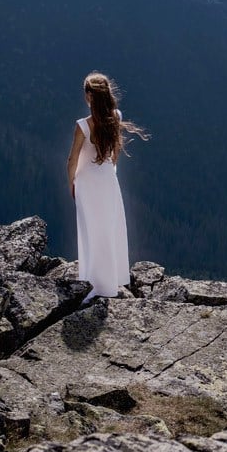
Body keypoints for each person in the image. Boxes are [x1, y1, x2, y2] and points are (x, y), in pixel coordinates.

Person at [66, 72, 148, 301]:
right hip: (108, 180)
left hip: (87, 183)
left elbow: (72, 160)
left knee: (91, 230)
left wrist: (71, 183)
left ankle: (95, 285)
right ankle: (109, 281)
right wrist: (112, 170)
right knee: (109, 230)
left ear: (89, 96)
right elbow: (116, 150)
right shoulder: (115, 116)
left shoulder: (83, 126)